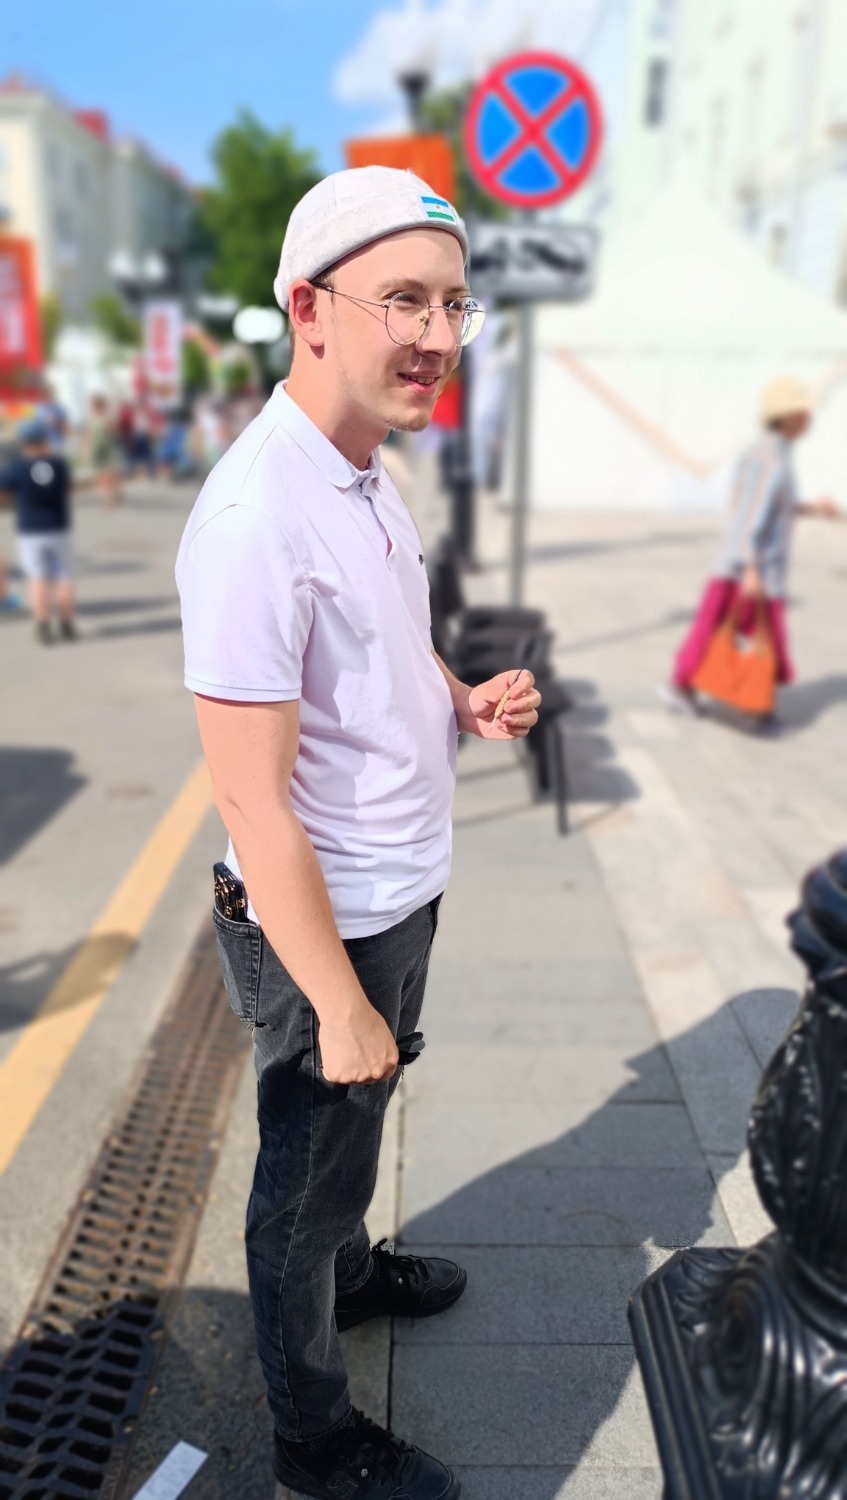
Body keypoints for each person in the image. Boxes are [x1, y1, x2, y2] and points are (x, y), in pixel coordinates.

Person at [176, 165, 541, 1500]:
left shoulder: (364, 471)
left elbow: (381, 639)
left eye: (452, 304)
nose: (438, 335)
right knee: (299, 1194)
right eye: (404, 301)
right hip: (322, 919)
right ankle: (315, 1445)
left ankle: (355, 1274)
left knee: (350, 1147)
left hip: (396, 887)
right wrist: (334, 1001)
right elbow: (249, 801)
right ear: (307, 307)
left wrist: (455, 696)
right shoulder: (252, 518)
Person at [660, 376, 839, 724]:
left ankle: (740, 701)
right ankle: (750, 707)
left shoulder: (776, 451)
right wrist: (751, 571)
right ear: (788, 416)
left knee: (729, 631)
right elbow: (746, 518)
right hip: (748, 568)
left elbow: (771, 508)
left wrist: (812, 508)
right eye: (804, 413)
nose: (809, 420)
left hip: (752, 566)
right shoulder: (767, 456)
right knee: (748, 636)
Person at [0, 418, 76, 643]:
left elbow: (3, 491)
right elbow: (67, 487)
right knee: (63, 576)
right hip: (58, 526)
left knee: (37, 578)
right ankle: (67, 623)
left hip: (31, 529)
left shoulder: (18, 467)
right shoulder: (58, 464)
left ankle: (43, 625)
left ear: (24, 442)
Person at [87, 394, 122, 507]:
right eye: (93, 405)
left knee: (112, 475)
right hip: (97, 450)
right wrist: (87, 450)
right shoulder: (91, 420)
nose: (94, 407)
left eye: (96, 405)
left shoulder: (107, 418)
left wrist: (111, 426)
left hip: (109, 449)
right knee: (101, 476)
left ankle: (115, 493)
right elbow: (89, 436)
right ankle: (106, 499)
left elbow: (116, 433)